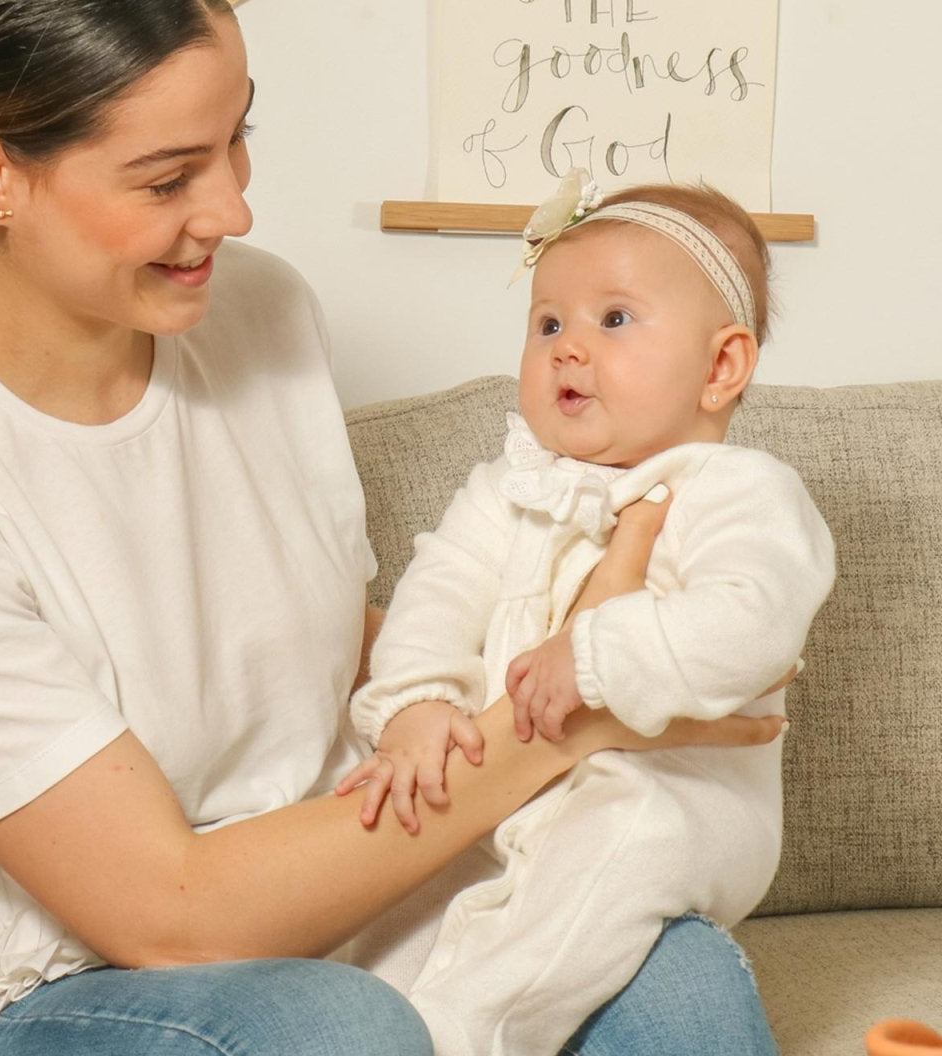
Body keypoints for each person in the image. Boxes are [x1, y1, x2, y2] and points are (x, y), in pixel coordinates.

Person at [0, 3, 788, 1053]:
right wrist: (583, 704)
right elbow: (168, 915)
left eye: (241, 140)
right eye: (169, 178)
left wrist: (507, 657)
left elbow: (309, 627)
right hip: (91, 969)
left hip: (330, 878)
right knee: (335, 1030)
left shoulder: (260, 316)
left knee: (675, 983)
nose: (233, 210)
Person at [340, 170, 836, 1056]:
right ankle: (370, 1004)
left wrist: (598, 651)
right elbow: (440, 587)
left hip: (674, 796)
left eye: (614, 319)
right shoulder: (509, 487)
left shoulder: (743, 493)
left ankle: (464, 1031)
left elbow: (753, 621)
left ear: (721, 366)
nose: (569, 347)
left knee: (616, 848)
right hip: (504, 791)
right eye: (548, 322)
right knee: (400, 852)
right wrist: (415, 701)